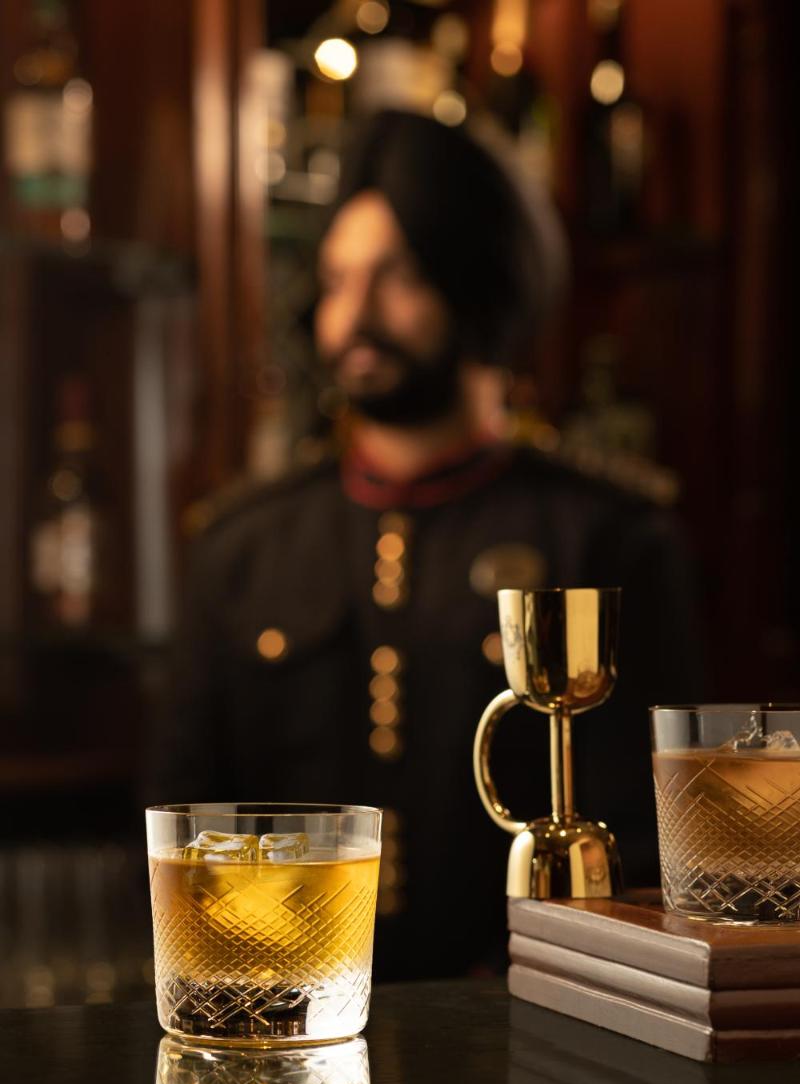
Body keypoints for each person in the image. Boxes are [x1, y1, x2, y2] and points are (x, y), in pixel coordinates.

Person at [148, 111, 702, 981]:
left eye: (395, 275)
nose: (354, 314)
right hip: (279, 1034)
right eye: (336, 279)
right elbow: (172, 836)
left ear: (475, 285)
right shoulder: (240, 545)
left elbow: (651, 850)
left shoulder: (607, 537)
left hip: (537, 1035)